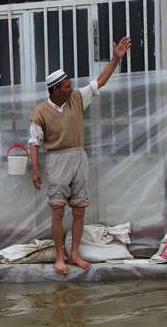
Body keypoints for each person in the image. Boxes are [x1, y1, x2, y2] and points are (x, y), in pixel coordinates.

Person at [29, 36, 132, 275]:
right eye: (66, 86)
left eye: (71, 84)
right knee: (57, 210)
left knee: (79, 209)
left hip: (79, 158)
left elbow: (100, 82)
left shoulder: (76, 98)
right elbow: (33, 143)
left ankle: (75, 253)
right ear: (55, 90)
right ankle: (59, 257)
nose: (72, 88)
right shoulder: (40, 112)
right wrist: (35, 170)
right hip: (56, 160)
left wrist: (116, 59)